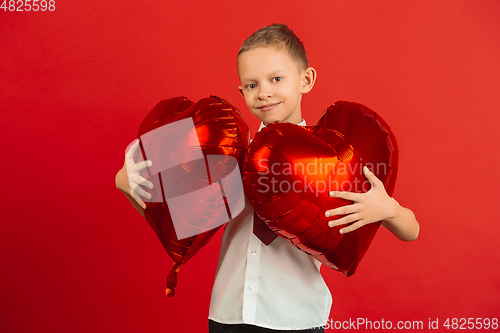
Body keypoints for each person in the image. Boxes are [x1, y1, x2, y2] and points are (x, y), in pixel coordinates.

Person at [115, 23, 419, 332]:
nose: (265, 93)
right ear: (241, 91)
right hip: (228, 315)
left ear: (306, 80)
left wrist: (389, 209)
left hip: (296, 320)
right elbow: (179, 224)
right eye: (251, 85)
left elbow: (412, 230)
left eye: (276, 79)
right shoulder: (226, 156)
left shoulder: (337, 163)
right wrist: (126, 185)